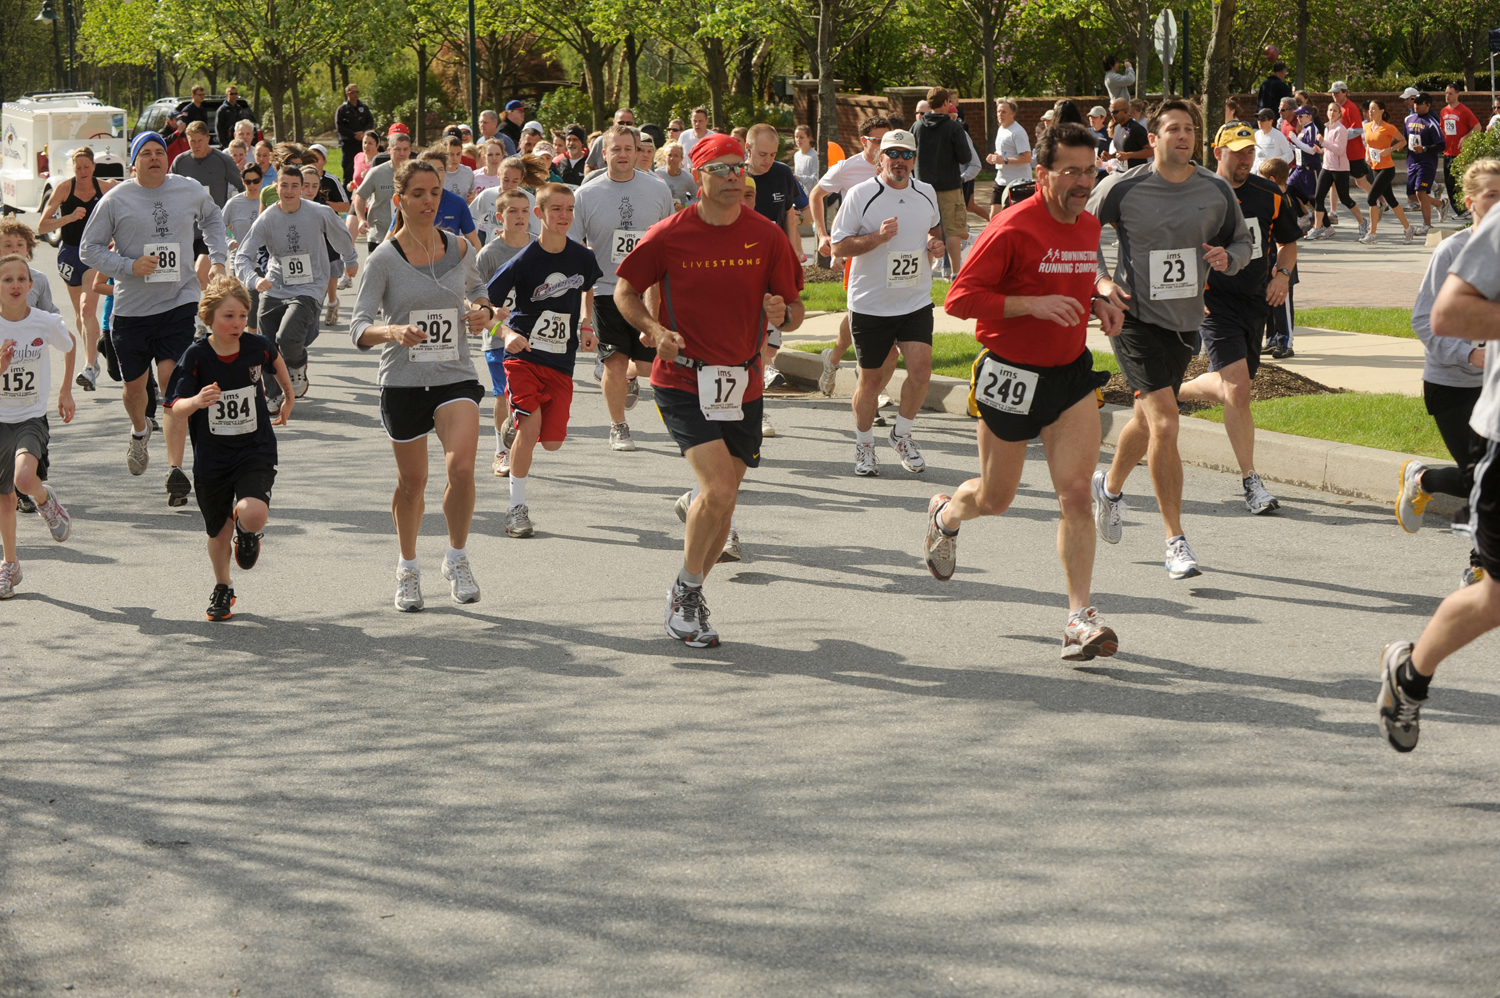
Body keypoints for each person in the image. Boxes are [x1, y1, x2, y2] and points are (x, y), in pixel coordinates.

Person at [927, 122, 1124, 659]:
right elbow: (960, 299)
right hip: (1009, 374)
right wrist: (1030, 306)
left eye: (1090, 170)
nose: (1084, 181)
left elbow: (1075, 279)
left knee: (1077, 493)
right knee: (996, 498)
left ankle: (1078, 618)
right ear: (1041, 174)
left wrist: (1097, 302)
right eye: (1071, 172)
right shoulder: (1011, 227)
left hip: (1068, 375)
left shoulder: (1086, 226)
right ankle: (946, 515)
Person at [613, 134, 804, 647]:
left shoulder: (766, 236)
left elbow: (795, 307)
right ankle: (685, 592)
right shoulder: (670, 234)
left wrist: (782, 313)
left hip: (742, 380)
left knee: (725, 495)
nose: (734, 176)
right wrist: (654, 332)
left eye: (739, 167)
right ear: (699, 176)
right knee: (719, 489)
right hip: (683, 379)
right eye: (721, 168)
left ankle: (693, 586)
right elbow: (625, 291)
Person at [1088, 99, 1254, 581]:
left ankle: (1110, 486)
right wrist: (1100, 283)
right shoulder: (1123, 186)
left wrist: (1230, 258)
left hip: (1184, 322)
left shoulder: (1215, 188)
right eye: (1173, 129)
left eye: (1190, 130)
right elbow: (1080, 231)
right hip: (1133, 319)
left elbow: (1241, 242)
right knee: (1165, 423)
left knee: (1146, 420)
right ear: (1154, 139)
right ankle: (1175, 540)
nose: (1183, 137)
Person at [1377, 162, 1500, 753]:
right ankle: (1411, 672)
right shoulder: (1471, 243)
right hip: (1465, 396)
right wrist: (1471, 354)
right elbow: (1436, 318)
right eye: (1490, 196)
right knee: (1494, 592)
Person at [351, 159, 495, 611]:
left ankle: (456, 557)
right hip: (404, 381)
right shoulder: (383, 259)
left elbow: (480, 291)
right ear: (400, 199)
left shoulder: (459, 248)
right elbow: (358, 329)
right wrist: (391, 331)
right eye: (418, 193)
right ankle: (408, 568)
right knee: (414, 483)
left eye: (435, 192)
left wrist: (482, 312)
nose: (428, 201)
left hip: (455, 375)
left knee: (462, 469)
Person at [81, 131, 229, 508]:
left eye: (159, 152)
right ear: (134, 163)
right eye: (145, 154)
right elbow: (89, 249)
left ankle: (175, 471)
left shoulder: (189, 188)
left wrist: (218, 259)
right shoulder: (116, 200)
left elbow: (214, 219)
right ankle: (139, 430)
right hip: (131, 310)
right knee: (135, 390)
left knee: (171, 384)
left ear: (167, 158)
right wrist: (127, 266)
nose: (154, 158)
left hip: (178, 303)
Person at [1175, 122, 1301, 513]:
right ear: (1218, 152)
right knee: (1240, 389)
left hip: (1255, 302)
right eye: (1237, 151)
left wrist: (1281, 275)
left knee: (1237, 387)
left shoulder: (1270, 193)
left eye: (1250, 152)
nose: (1245, 159)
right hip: (1214, 304)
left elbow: (1288, 243)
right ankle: (1252, 481)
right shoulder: (1196, 193)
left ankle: (1169, 390)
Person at [1395, 158, 1500, 588]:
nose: (1498, 204)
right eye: (1491, 195)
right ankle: (1422, 479)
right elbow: (1425, 319)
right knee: (1478, 478)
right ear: (1470, 201)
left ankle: (1482, 563)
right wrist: (1467, 355)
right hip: (1452, 385)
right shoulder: (1452, 250)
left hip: (1494, 389)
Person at [163, 277, 292, 620]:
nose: (237, 324)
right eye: (228, 317)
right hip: (213, 456)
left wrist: (288, 395)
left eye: (242, 316)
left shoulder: (255, 345)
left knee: (253, 513)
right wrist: (196, 400)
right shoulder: (196, 356)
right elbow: (174, 406)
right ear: (209, 316)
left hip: (255, 448)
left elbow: (275, 358)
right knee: (217, 530)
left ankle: (247, 531)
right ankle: (223, 587)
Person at [485, 183, 600, 538]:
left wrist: (586, 323)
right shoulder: (523, 261)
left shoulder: (582, 257)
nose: (564, 216)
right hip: (523, 356)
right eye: (556, 209)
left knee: (550, 443)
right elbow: (483, 306)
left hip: (561, 360)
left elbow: (587, 288)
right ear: (540, 214)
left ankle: (512, 427)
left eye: (569, 209)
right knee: (531, 428)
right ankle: (516, 508)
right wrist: (506, 334)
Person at [828, 129, 944, 477]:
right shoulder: (862, 194)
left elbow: (933, 231)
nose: (899, 161)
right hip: (871, 303)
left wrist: (934, 246)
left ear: (914, 160)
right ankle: (864, 443)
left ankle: (902, 434)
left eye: (906, 155)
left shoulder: (926, 192)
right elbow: (838, 247)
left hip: (914, 298)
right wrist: (877, 238)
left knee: (922, 372)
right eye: (892, 154)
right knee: (872, 382)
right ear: (880, 157)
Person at [569, 125, 674, 454]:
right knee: (614, 361)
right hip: (606, 290)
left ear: (638, 151)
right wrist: (581, 310)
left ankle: (630, 374)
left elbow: (668, 240)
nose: (623, 155)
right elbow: (574, 246)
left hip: (646, 290)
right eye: (616, 149)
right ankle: (618, 425)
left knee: (646, 367)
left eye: (629, 148)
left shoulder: (657, 190)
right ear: (604, 152)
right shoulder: (586, 193)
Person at [235, 163, 357, 412]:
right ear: (276, 187)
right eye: (284, 185)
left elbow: (340, 234)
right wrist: (254, 280)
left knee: (287, 337)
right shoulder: (268, 217)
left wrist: (351, 260)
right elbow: (242, 256)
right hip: (275, 285)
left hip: (310, 286)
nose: (289, 191)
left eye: (294, 186)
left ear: (302, 189)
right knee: (266, 343)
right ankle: (273, 393)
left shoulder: (319, 212)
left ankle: (297, 363)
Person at [0, 254, 77, 599]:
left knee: (24, 479)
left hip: (31, 417)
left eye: (21, 279)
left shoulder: (44, 321)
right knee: (4, 502)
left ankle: (46, 503)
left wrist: (65, 391)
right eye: (7, 279)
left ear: (31, 286)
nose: (15, 285)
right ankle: (10, 564)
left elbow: (70, 346)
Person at [809, 115, 891, 393]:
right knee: (860, 314)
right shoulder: (847, 169)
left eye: (886, 139)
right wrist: (822, 234)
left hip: (888, 251)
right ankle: (869, 387)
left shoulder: (897, 166)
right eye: (877, 140)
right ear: (863, 141)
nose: (882, 146)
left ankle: (833, 359)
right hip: (856, 250)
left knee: (871, 314)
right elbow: (816, 195)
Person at [36, 146, 117, 392]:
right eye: (77, 167)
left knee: (87, 307)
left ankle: (89, 368)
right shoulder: (64, 188)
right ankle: (91, 359)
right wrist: (68, 217)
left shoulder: (106, 188)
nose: (82, 171)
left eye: (86, 166)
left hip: (95, 253)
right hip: (70, 253)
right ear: (73, 168)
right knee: (80, 314)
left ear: (94, 166)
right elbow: (42, 226)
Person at [474, 188, 534, 477]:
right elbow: (475, 295)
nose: (519, 216)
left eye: (524, 210)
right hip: (498, 335)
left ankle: (519, 444)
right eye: (512, 211)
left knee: (527, 396)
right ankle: (501, 449)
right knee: (502, 394)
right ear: (499, 217)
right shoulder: (489, 254)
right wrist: (490, 311)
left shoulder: (541, 248)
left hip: (536, 336)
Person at [172, 121, 245, 289]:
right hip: (187, 229)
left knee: (200, 274)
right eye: (192, 141)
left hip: (212, 227)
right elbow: (169, 191)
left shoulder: (223, 160)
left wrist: (236, 217)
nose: (196, 145)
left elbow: (242, 189)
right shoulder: (180, 162)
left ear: (208, 138)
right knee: (194, 282)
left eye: (200, 141)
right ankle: (207, 311)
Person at [912, 87, 972, 281]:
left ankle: (925, 273)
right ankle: (955, 273)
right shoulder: (954, 127)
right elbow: (965, 156)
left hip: (922, 189)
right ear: (946, 103)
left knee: (926, 230)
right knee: (953, 230)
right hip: (949, 187)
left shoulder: (917, 126)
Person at [1359, 100, 1415, 245]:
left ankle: (1372, 234)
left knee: (1372, 199)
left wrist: (1390, 149)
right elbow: (1369, 144)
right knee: (1391, 200)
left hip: (1387, 169)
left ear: (1382, 111)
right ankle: (1408, 229)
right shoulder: (1367, 126)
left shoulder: (1388, 128)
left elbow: (1403, 141)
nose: (1370, 112)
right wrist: (1367, 155)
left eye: (1373, 109)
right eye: (1369, 109)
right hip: (1375, 168)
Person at [1309, 100, 1366, 240]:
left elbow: (1340, 150)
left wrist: (1323, 142)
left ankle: (1363, 222)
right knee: (1319, 197)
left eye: (1335, 111)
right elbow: (1329, 149)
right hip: (1327, 167)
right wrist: (1321, 150)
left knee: (1345, 199)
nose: (1332, 113)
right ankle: (1319, 228)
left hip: (1340, 169)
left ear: (1340, 114)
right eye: (1330, 110)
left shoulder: (1341, 129)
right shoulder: (1327, 127)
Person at [353, 127, 411, 258]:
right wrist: (361, 219)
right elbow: (360, 196)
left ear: (410, 151)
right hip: (378, 236)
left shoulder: (416, 174)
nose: (401, 153)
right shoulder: (376, 173)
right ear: (389, 151)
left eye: (405, 149)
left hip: (407, 236)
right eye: (397, 149)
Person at [222, 163, 265, 330]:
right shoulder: (234, 203)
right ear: (242, 182)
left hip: (263, 261)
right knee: (240, 305)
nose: (252, 185)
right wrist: (229, 241)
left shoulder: (269, 200)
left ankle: (254, 341)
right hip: (239, 262)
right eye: (248, 182)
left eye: (256, 181)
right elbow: (218, 227)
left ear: (261, 180)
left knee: (255, 306)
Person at [415, 148, 481, 251]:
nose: (436, 174)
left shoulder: (458, 203)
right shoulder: (410, 202)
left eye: (440, 170)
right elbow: (391, 238)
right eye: (431, 169)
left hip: (450, 263)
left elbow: (474, 242)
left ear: (445, 172)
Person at [1440, 84, 1482, 218]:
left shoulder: (1464, 110)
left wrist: (1466, 137)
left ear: (1457, 94)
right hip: (1447, 153)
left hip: (1460, 154)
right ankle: (1460, 210)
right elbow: (1442, 129)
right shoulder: (1443, 111)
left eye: (1450, 93)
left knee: (1460, 183)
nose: (1447, 96)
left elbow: (1478, 127)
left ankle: (1466, 210)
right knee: (1449, 183)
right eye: (1446, 93)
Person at [1405, 93, 1444, 231]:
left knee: (1420, 193)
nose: (1416, 105)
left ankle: (1427, 225)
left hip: (1427, 162)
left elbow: (1441, 145)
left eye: (1420, 103)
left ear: (1428, 105)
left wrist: (1425, 149)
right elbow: (1405, 140)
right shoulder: (1408, 119)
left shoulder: (1432, 123)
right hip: (1412, 162)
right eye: (1415, 102)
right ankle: (1439, 203)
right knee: (1411, 195)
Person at [987, 99, 1033, 218]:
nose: (1000, 115)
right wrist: (994, 156)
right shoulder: (1001, 129)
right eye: (998, 112)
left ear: (1013, 114)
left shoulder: (1018, 132)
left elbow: (1027, 158)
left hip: (1017, 182)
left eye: (1004, 112)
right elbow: (1003, 152)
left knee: (1016, 217)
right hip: (1001, 179)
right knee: (994, 216)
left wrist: (1005, 160)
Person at [1331, 82, 1373, 197]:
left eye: (1337, 92)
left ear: (1345, 92)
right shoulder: (1336, 108)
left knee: (1361, 182)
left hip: (1354, 153)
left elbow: (1358, 129)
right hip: (1341, 152)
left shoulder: (1351, 107)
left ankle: (1381, 202)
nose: (1334, 95)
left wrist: (1341, 137)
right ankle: (1333, 212)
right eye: (1333, 93)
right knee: (1333, 182)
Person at [335, 84, 375, 189]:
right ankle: (347, 198)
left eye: (357, 92)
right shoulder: (342, 109)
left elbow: (370, 122)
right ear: (347, 93)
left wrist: (363, 133)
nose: (356, 94)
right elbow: (340, 127)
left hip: (362, 144)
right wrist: (353, 135)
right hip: (348, 145)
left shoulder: (364, 107)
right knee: (348, 171)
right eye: (353, 92)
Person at [1105, 97, 1150, 169]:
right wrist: (1111, 156)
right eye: (1111, 112)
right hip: (1122, 173)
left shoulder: (1136, 128)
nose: (1112, 115)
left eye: (1115, 112)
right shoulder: (1117, 128)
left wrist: (1129, 155)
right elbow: (1122, 152)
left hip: (1137, 175)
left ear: (1126, 111)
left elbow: (1150, 151)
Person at [1288, 106, 1322, 201]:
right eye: (1297, 116)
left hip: (1310, 169)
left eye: (1300, 116)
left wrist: (1295, 140)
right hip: (1300, 168)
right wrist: (1292, 146)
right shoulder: (1304, 129)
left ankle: (1320, 215)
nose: (1298, 118)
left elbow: (1311, 150)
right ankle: (1304, 214)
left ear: (1309, 116)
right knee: (1289, 188)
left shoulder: (1312, 129)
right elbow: (1302, 148)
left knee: (1313, 198)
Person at [655, 140, 697, 208]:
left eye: (676, 156)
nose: (672, 158)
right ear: (665, 157)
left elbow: (698, 197)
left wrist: (685, 206)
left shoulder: (688, 178)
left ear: (681, 158)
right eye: (669, 155)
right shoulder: (656, 175)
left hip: (679, 215)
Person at [793, 124, 819, 194]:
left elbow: (816, 179)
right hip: (799, 194)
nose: (798, 140)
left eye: (801, 137)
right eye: (796, 137)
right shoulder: (796, 155)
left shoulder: (814, 156)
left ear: (809, 138)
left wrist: (800, 178)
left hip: (811, 195)